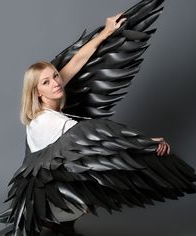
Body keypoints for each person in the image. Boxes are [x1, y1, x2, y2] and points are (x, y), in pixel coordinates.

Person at [19, 12, 170, 235]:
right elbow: (102, 138)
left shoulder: (45, 107)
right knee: (103, 169)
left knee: (88, 166)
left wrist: (107, 31)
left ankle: (61, 222)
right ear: (37, 92)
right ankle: (53, 220)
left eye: (55, 76)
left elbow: (78, 61)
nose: (56, 83)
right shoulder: (47, 121)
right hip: (45, 199)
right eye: (46, 82)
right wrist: (145, 143)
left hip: (47, 190)